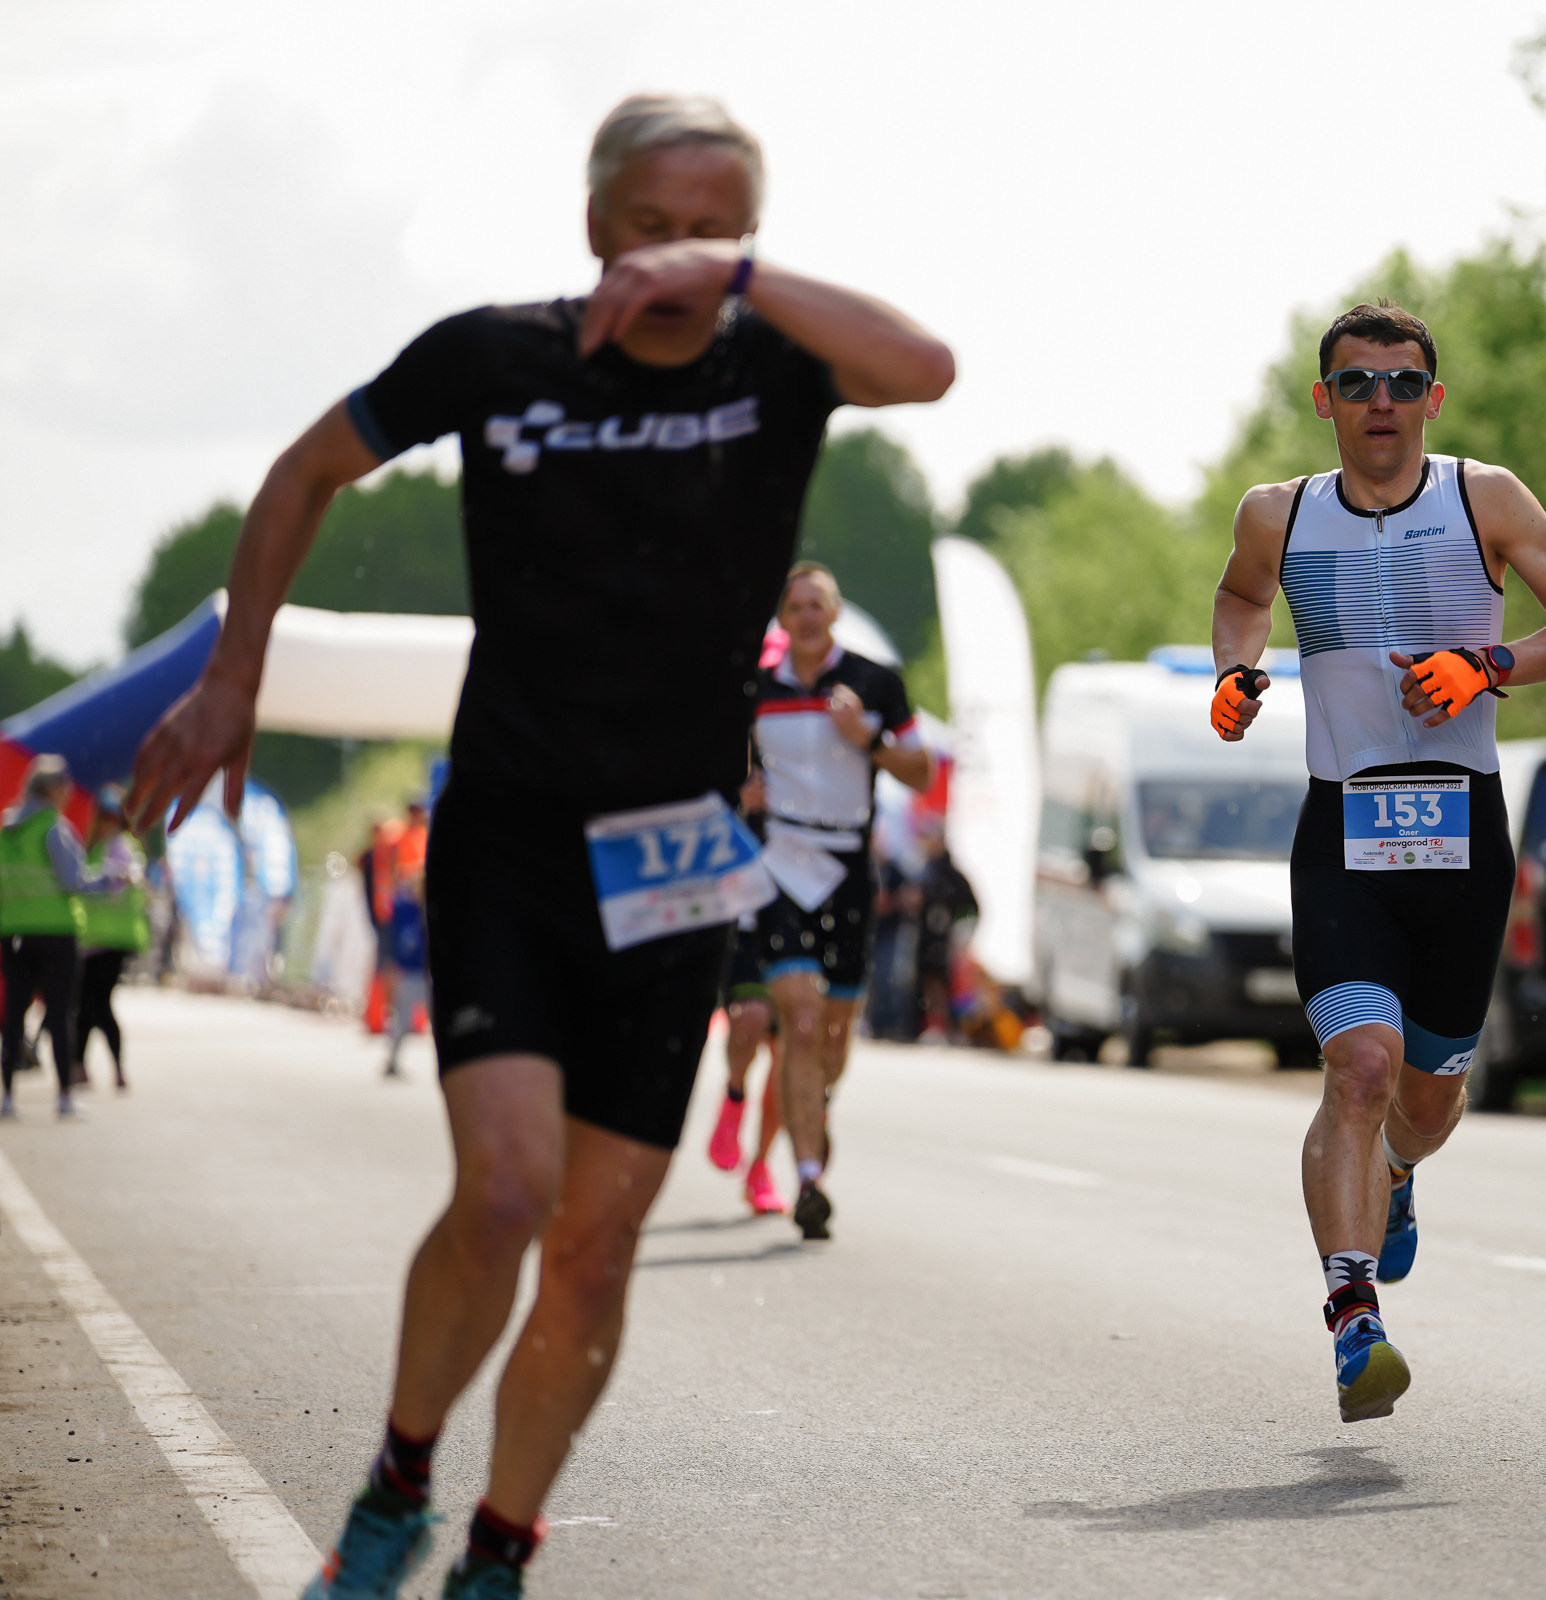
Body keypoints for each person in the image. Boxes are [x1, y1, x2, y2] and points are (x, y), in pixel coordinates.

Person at [125, 92, 951, 1600]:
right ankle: (396, 1485)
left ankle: (499, 1548)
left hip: (679, 856)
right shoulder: (494, 355)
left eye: (714, 226)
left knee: (595, 1246)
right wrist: (233, 673)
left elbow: (932, 368)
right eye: (653, 224)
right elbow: (305, 471)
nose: (678, 253)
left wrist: (746, 282)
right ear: (593, 226)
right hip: (512, 831)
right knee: (505, 1191)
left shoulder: (776, 361)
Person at [1210, 301, 1546, 1424]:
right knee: (1362, 1071)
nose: (1378, 402)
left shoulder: (1485, 497)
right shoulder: (1278, 514)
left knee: (1427, 1101)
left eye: (1400, 383)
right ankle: (1353, 1320)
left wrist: (1490, 664)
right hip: (1342, 833)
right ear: (1323, 400)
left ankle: (1397, 1173)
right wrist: (1236, 671)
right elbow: (1242, 598)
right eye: (1355, 384)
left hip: (1460, 839)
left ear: (1433, 397)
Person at [750, 562, 932, 1239]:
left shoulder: (874, 681)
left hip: (849, 865)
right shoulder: (757, 687)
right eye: (793, 605)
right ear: (782, 617)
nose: (805, 616)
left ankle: (815, 1103)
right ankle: (807, 1179)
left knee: (832, 1029)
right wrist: (742, 794)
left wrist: (870, 740)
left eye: (816, 604)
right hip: (780, 864)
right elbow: (727, 766)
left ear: (834, 613)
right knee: (796, 1021)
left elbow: (922, 772)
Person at [2, 756, 125, 1119]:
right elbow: (75, 880)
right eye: (65, 785)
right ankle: (64, 1098)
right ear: (53, 789)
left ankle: (7, 1096)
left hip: (13, 933)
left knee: (13, 1016)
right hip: (55, 933)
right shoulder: (52, 827)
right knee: (59, 1014)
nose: (70, 791)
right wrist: (114, 878)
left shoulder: (7, 828)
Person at [703, 768, 786, 1216]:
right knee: (750, 1017)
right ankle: (735, 1095)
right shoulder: (739, 728)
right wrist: (739, 799)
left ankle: (761, 1168)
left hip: (800, 918)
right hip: (745, 921)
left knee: (789, 1050)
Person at [75, 785, 150, 1091]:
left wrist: (117, 876)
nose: (106, 822)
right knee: (88, 1005)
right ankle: (81, 1065)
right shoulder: (98, 847)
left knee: (97, 1004)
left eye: (110, 817)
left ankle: (108, 1066)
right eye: (103, 817)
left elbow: (128, 874)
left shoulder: (121, 845)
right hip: (93, 941)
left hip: (111, 940)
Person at [914, 827, 978, 1046]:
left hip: (947, 941)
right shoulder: (925, 871)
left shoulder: (953, 876)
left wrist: (962, 934)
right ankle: (935, 1025)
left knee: (951, 986)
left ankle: (956, 1029)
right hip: (928, 938)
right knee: (930, 984)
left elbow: (971, 907)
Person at [383, 859, 429, 1079]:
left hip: (427, 974)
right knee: (402, 1021)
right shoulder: (405, 910)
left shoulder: (429, 912)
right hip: (408, 972)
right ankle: (392, 1059)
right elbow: (391, 899)